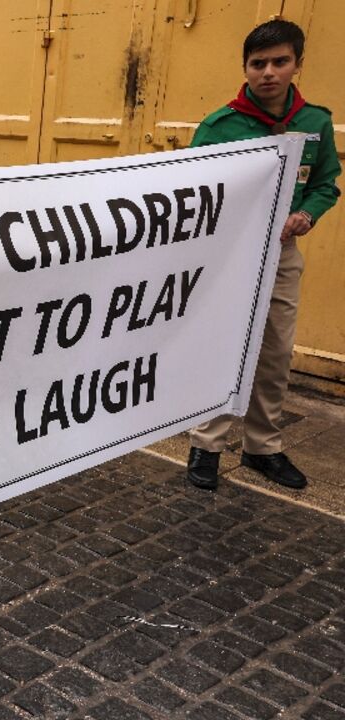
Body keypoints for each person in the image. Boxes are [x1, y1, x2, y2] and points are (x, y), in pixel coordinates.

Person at [186, 19, 340, 492]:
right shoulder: (219, 126)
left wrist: (308, 215)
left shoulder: (315, 122)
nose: (269, 72)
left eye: (280, 62)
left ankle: (263, 447)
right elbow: (190, 192)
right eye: (259, 64)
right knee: (223, 348)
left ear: (297, 64)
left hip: (281, 256)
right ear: (245, 69)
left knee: (274, 354)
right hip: (229, 258)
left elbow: (325, 184)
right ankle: (205, 445)